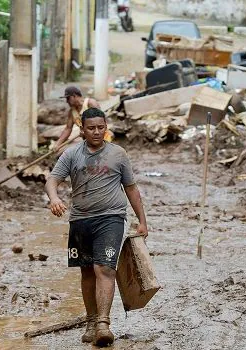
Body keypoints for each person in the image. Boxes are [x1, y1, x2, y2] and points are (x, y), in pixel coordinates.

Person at [45, 107, 148, 346]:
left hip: (111, 218)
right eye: (91, 128)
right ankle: (91, 321)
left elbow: (131, 188)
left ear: (106, 127)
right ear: (82, 129)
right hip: (80, 219)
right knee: (87, 270)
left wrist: (142, 220)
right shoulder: (71, 155)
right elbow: (52, 179)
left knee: (105, 268)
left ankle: (103, 323)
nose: (96, 132)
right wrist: (54, 198)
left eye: (101, 127)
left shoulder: (118, 154)